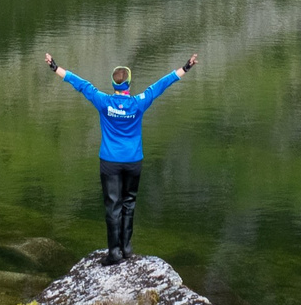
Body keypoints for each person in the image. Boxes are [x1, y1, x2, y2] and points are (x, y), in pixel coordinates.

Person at [45, 50, 197, 265]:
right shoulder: (139, 102)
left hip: (110, 162)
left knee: (112, 207)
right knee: (129, 203)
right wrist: (186, 67)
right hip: (134, 161)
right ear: (129, 84)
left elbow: (81, 84)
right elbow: (161, 85)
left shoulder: (103, 101)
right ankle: (126, 248)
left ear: (114, 85)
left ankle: (114, 253)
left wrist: (55, 67)